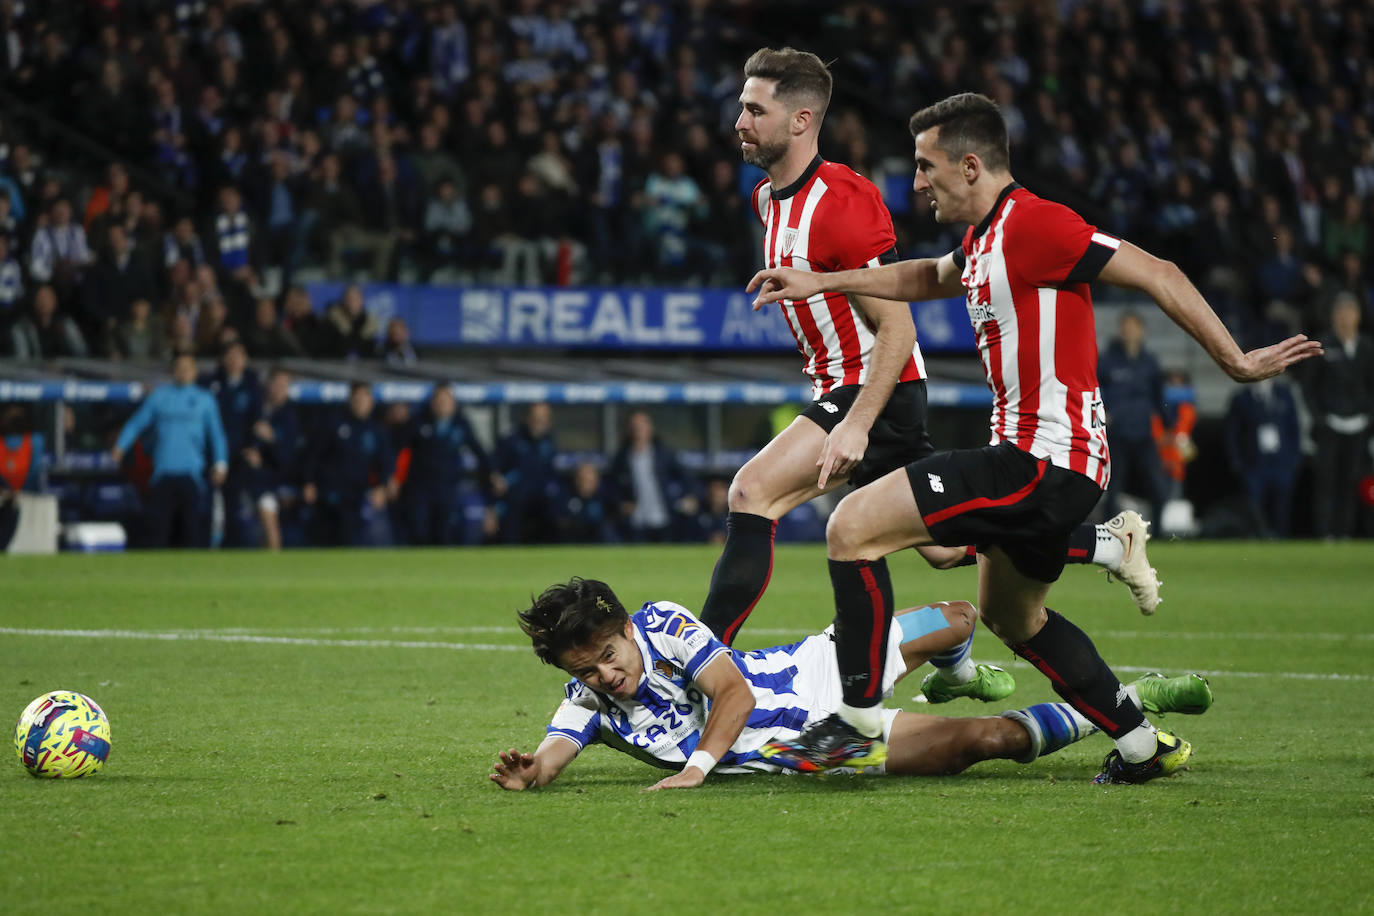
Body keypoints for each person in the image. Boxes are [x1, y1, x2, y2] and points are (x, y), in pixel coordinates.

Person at [746, 92, 1319, 783]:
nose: (917, 182)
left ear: (969, 166)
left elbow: (1158, 272)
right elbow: (927, 276)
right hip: (1045, 466)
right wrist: (824, 280)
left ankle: (857, 723)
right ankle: (1141, 745)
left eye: (926, 168)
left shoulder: (1035, 225)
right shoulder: (983, 239)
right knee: (1013, 617)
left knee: (852, 526)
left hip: (1040, 458)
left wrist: (1236, 361)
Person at [702, 49, 1160, 662]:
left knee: (751, 493)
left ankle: (700, 669)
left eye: (755, 109)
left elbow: (896, 330)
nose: (740, 120)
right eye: (742, 108)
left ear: (802, 120)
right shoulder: (768, 200)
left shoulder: (843, 200)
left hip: (873, 386)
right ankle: (1100, 549)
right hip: (846, 388)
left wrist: (859, 422)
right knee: (944, 546)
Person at [490, 578, 1212, 791]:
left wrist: (696, 771)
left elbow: (733, 696)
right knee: (983, 744)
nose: (606, 676)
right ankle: (1133, 702)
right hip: (819, 744)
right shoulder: (589, 699)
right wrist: (533, 772)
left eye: (607, 655)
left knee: (960, 616)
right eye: (586, 670)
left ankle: (959, 673)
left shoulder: (663, 624)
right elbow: (556, 751)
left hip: (817, 671)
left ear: (621, 627)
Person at [112, 351, 228, 548]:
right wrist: (120, 446)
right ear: (173, 371)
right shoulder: (160, 397)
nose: (183, 372)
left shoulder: (205, 399)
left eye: (187, 368)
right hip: (162, 474)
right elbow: (137, 423)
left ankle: (193, 575)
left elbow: (216, 434)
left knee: (191, 531)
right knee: (158, 531)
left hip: (192, 475)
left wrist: (221, 463)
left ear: (195, 372)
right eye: (179, 368)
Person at [1303, 293, 1374, 540]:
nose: (1345, 318)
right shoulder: (1323, 344)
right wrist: (1320, 418)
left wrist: (1368, 416)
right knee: (1326, 482)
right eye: (1341, 312)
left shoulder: (1366, 347)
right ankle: (1325, 534)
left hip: (1358, 424)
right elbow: (1309, 387)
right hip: (1330, 424)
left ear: (1358, 316)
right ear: (1334, 316)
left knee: (1351, 481)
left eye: (1350, 312)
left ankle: (1344, 533)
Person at [396, 384, 494, 545]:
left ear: (453, 403)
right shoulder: (418, 422)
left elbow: (480, 453)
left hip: (447, 487)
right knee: (419, 530)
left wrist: (493, 473)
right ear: (432, 402)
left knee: (444, 532)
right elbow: (396, 449)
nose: (442, 404)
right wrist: (393, 478)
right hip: (421, 487)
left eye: (446, 400)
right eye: (439, 400)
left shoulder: (461, 424)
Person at [302, 381, 395, 546]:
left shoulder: (376, 430)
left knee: (351, 540)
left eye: (364, 398)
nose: (360, 402)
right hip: (328, 492)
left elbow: (385, 461)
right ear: (350, 400)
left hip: (357, 495)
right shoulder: (334, 423)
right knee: (324, 541)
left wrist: (383, 485)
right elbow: (314, 455)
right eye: (357, 398)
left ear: (371, 401)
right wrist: (309, 482)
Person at [1098, 312, 1168, 523]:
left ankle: (1159, 534)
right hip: (1117, 433)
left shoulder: (1150, 362)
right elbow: (1094, 389)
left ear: (1141, 331)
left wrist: (1168, 428)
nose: (1129, 331)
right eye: (1125, 327)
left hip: (1143, 432)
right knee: (1114, 487)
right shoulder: (1107, 360)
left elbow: (1159, 396)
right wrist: (1102, 414)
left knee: (1157, 486)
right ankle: (1108, 532)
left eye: (1133, 327)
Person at [200, 338, 263, 547]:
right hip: (209, 456)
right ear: (223, 358)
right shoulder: (210, 383)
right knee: (205, 505)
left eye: (239, 355)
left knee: (233, 506)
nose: (235, 360)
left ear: (246, 360)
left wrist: (253, 447)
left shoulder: (252, 386)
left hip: (238, 457)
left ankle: (231, 549)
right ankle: (201, 548)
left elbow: (256, 420)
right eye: (230, 355)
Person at [1225, 377, 1302, 537]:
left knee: (1282, 504)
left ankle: (1280, 537)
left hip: (1281, 461)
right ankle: (1259, 537)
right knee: (1255, 505)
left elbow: (1294, 428)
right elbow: (1232, 433)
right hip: (1253, 462)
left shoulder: (1284, 393)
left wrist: (1294, 458)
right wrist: (1237, 461)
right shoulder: (1240, 398)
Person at [607, 409, 698, 542]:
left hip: (664, 519)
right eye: (635, 426)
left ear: (650, 428)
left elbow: (687, 476)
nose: (639, 430)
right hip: (636, 521)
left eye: (642, 425)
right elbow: (611, 486)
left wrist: (691, 496)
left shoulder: (663, 454)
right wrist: (621, 504)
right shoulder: (622, 458)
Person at [493, 401, 561, 544]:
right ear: (526, 418)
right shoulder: (511, 441)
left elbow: (551, 474)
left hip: (541, 502)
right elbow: (494, 470)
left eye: (544, 419)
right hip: (515, 501)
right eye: (536, 419)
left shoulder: (549, 442)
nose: (539, 423)